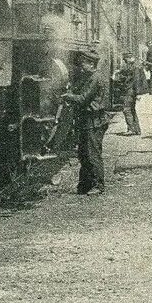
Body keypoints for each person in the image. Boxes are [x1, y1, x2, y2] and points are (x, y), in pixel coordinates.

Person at [63, 49, 108, 195]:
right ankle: (85, 184)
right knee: (83, 154)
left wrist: (68, 97)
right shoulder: (88, 77)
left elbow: (83, 99)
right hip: (87, 121)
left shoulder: (95, 78)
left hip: (94, 121)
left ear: (91, 64)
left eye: (84, 63)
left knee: (92, 154)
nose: (81, 66)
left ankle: (98, 185)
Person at [111, 52, 142, 135]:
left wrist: (138, 93)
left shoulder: (135, 66)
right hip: (130, 90)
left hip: (130, 91)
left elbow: (137, 80)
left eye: (125, 60)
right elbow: (128, 73)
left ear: (129, 58)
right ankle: (136, 130)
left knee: (126, 109)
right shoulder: (133, 65)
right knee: (131, 109)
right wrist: (119, 71)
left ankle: (131, 130)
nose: (124, 61)